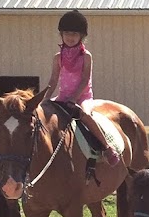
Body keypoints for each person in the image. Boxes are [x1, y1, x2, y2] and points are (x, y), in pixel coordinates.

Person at [45, 9, 120, 166]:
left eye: (74, 34)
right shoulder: (57, 58)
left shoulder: (86, 56)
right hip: (63, 97)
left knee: (85, 115)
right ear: (61, 35)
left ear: (81, 36)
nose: (70, 37)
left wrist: (74, 98)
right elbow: (53, 80)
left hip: (82, 97)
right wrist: (44, 98)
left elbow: (85, 79)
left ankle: (107, 147)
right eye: (67, 33)